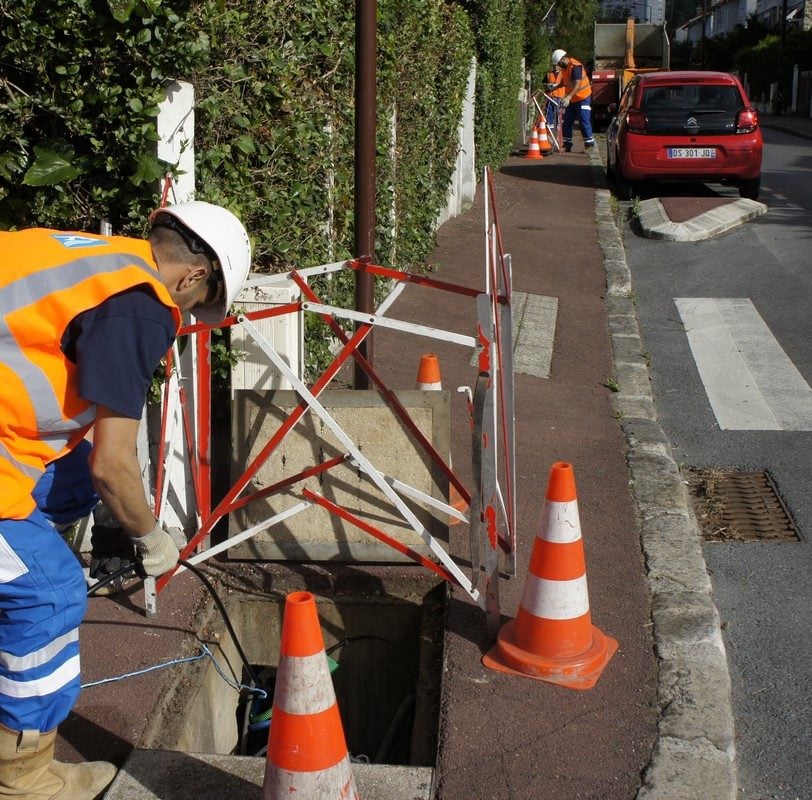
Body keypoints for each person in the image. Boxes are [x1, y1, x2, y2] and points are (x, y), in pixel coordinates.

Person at [0, 201, 251, 799]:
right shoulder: (143, 304)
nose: (186, 317)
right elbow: (113, 466)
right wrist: (150, 538)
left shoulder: (95, 259)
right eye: (198, 304)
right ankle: (23, 779)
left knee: (72, 483)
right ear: (193, 277)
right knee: (51, 594)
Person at [551, 49, 596, 152]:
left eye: (558, 63)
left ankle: (589, 145)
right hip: (572, 98)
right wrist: (554, 87)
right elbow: (565, 82)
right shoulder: (565, 68)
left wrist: (568, 97)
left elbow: (577, 85)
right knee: (567, 122)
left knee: (583, 121)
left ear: (563, 59)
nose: (558, 65)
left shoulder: (575, 66)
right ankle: (567, 145)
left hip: (582, 97)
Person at [544, 63, 566, 132]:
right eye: (555, 65)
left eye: (557, 65)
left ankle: (559, 131)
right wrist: (548, 85)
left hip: (559, 97)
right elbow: (544, 83)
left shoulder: (563, 74)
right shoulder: (549, 74)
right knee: (549, 113)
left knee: (559, 114)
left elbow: (566, 84)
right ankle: (550, 130)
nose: (556, 66)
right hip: (550, 97)